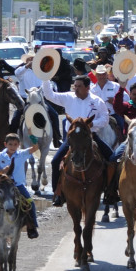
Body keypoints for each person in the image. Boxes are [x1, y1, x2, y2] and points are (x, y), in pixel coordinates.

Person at [43, 74, 114, 206]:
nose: (76, 88)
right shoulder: (68, 97)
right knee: (55, 161)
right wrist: (45, 78)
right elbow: (49, 95)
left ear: (87, 87)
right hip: (72, 139)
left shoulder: (97, 101)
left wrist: (92, 124)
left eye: (79, 86)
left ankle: (111, 191)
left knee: (112, 158)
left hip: (91, 137)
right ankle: (58, 193)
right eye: (75, 86)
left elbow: (105, 119)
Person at [9, 54, 62, 148]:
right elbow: (17, 73)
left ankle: (57, 138)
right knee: (15, 118)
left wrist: (41, 88)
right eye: (30, 59)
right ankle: (11, 140)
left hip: (39, 99)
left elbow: (48, 84)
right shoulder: (22, 71)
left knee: (54, 115)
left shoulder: (42, 71)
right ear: (26, 61)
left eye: (34, 59)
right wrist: (27, 66)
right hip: (26, 99)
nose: (32, 61)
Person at [90, 65, 124, 133]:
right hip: (98, 116)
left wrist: (115, 102)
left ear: (106, 75)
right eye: (99, 75)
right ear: (96, 75)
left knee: (122, 127)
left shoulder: (115, 86)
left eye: (103, 74)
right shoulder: (92, 89)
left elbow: (126, 99)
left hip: (113, 114)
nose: (101, 76)